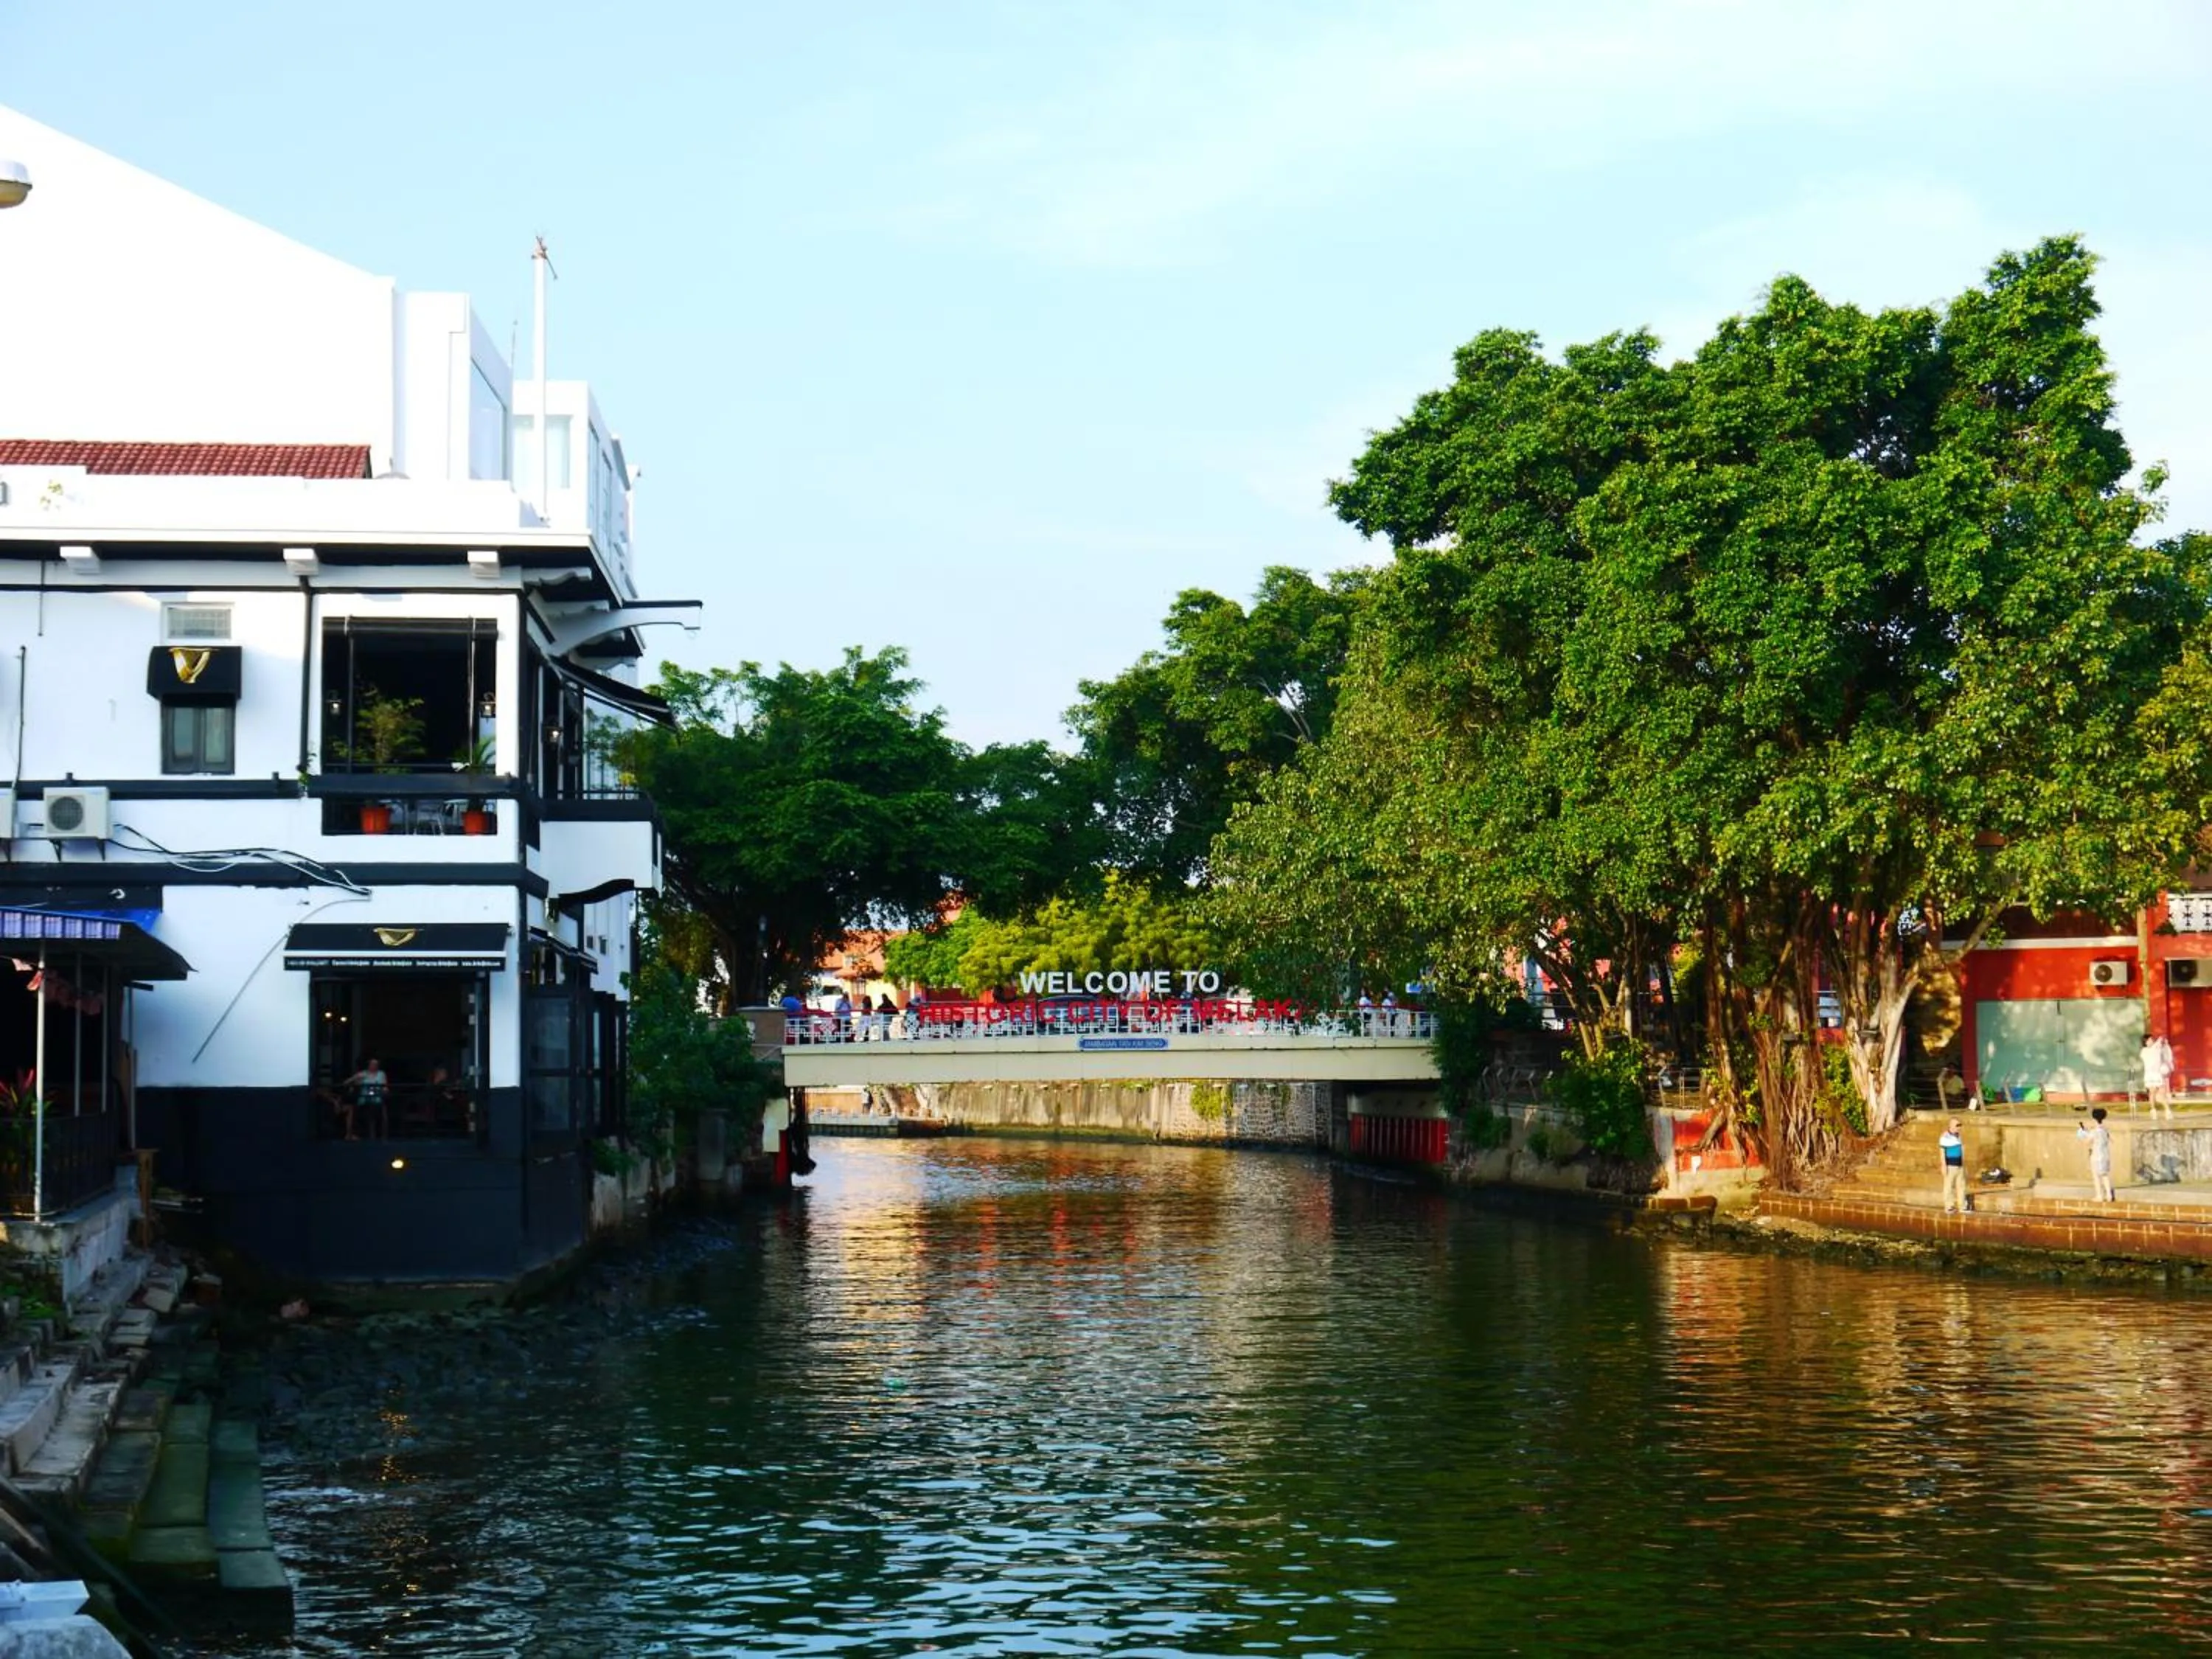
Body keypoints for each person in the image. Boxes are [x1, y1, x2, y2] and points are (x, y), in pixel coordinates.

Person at [343, 1055, 389, 1141]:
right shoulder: (363, 1074)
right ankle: (371, 1137)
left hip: (378, 1099)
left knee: (383, 1112)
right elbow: (347, 1082)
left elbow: (385, 1086)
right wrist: (353, 1084)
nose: (374, 1066)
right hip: (365, 1100)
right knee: (369, 1114)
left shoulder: (381, 1074)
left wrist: (385, 1090)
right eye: (372, 1064)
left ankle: (384, 1136)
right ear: (369, 1065)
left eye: (376, 1064)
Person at [2079, 1106, 2115, 1203]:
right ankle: (2109, 1195)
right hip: (2106, 1155)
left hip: (2096, 1156)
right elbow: (2111, 1140)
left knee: (2096, 1176)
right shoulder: (2105, 1130)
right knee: (2105, 1175)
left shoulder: (2095, 1131)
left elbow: (2087, 1142)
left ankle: (2099, 1195)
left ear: (2094, 1118)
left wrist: (2082, 1134)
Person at [2143, 1032, 2175, 1120]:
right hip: (2150, 1075)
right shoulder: (2144, 1051)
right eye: (2149, 1040)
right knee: (2152, 1093)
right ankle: (2153, 1110)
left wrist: (2165, 1044)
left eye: (2152, 1039)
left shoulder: (2157, 1049)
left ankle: (2168, 1111)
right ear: (2146, 1042)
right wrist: (2159, 1040)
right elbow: (2153, 1051)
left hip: (2158, 1074)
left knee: (2162, 1094)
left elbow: (2166, 1055)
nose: (2151, 1041)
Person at [1938, 1116, 1966, 1214]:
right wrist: (1944, 1166)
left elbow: (1961, 1150)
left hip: (1959, 1165)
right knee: (1949, 1186)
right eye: (1957, 1125)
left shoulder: (1959, 1136)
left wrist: (1963, 1164)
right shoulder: (1945, 1137)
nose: (1959, 1127)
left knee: (1961, 1186)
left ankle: (1962, 1206)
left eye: (1960, 1125)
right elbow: (1942, 1152)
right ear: (1951, 1126)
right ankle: (1949, 1206)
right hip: (1950, 1166)